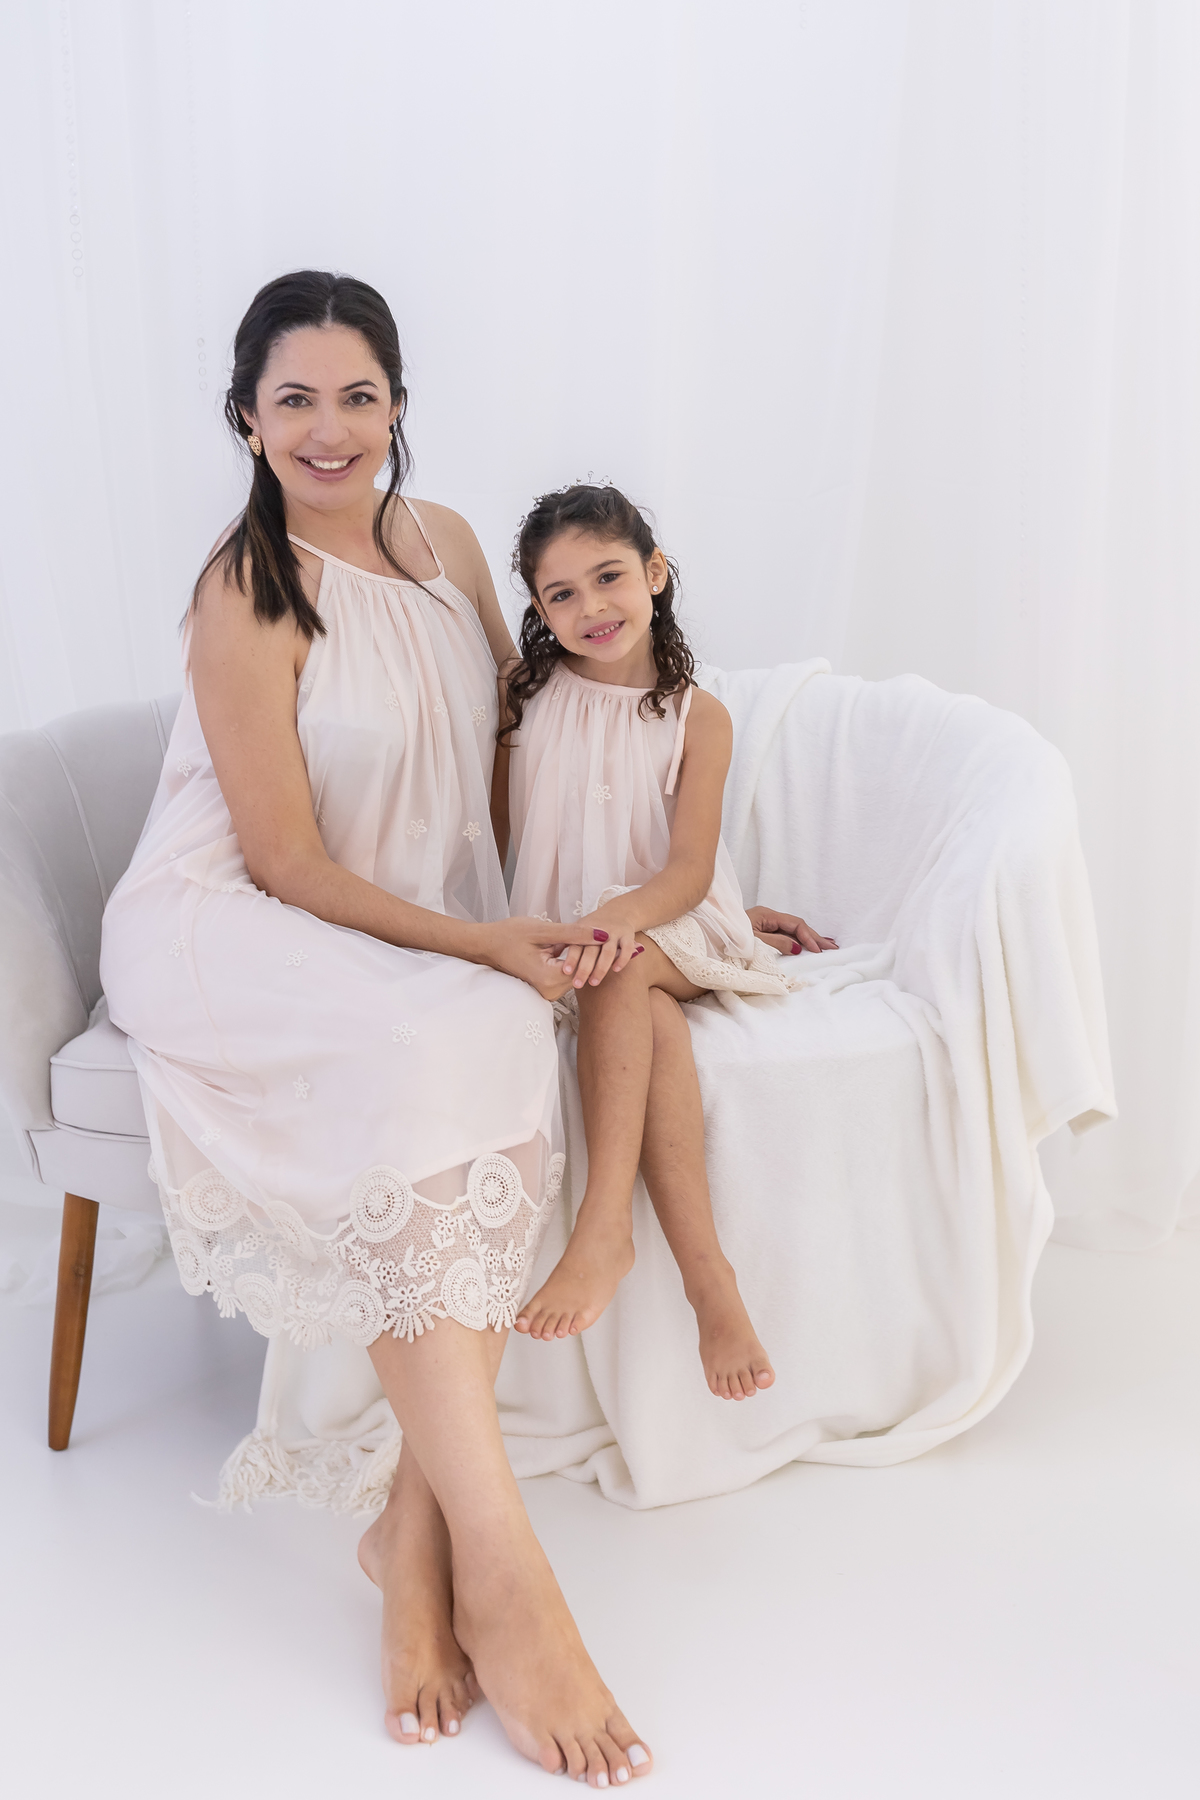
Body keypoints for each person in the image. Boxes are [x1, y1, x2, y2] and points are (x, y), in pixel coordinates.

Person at [99, 273, 652, 1784]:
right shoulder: (246, 587)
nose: (331, 429)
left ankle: (408, 1538)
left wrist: (668, 897)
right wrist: (480, 943)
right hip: (233, 920)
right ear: (246, 419)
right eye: (296, 401)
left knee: (486, 1039)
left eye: (359, 396)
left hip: (406, 909)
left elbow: (500, 757)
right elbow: (280, 862)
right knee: (443, 1041)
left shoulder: (451, 545)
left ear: (400, 404)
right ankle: (502, 1571)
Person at [505, 485, 837, 1399]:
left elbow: (688, 872)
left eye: (608, 577)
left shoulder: (699, 717)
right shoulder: (523, 702)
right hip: (583, 937)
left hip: (664, 924)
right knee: (637, 1009)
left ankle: (604, 1226)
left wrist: (623, 920)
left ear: (654, 573)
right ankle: (710, 1283)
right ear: (539, 612)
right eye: (560, 594)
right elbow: (497, 836)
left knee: (619, 970)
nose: (590, 607)